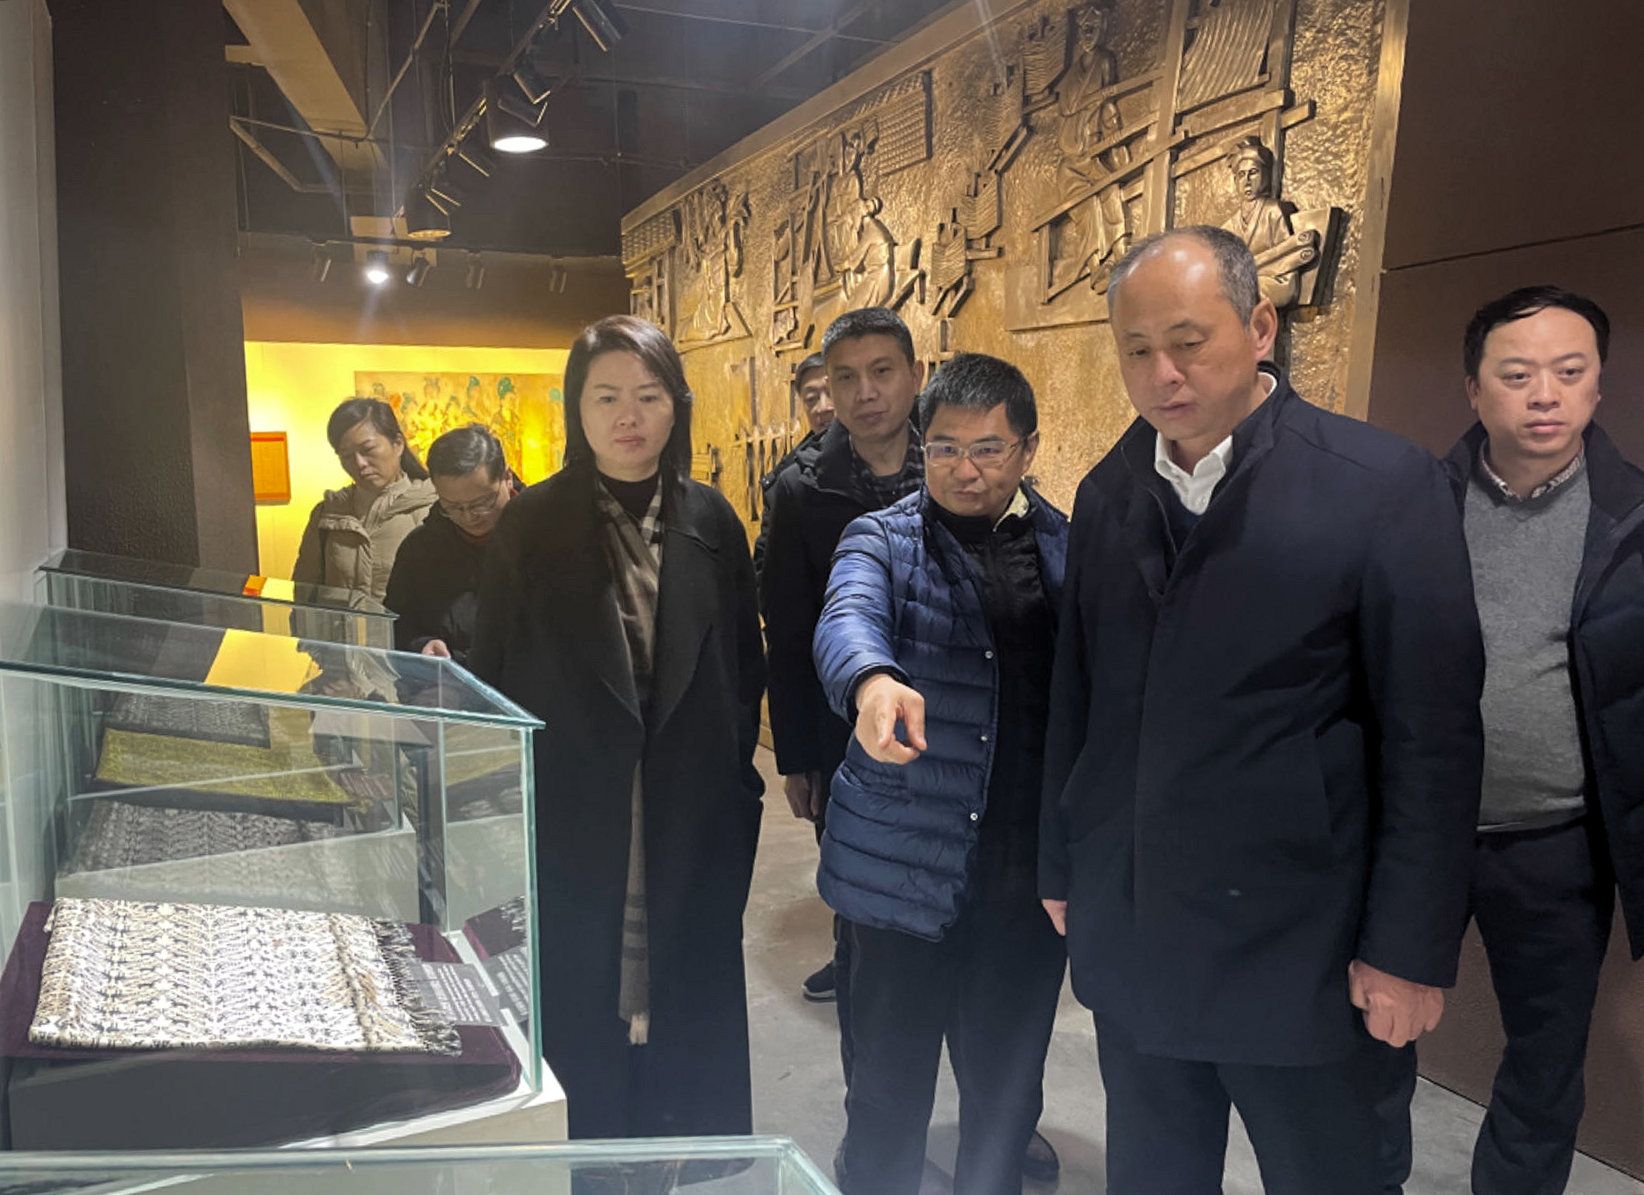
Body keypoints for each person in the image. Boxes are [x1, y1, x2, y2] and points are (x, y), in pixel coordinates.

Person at [1040, 225, 1485, 1192]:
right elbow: (1080, 695)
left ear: (1260, 326)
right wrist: (1061, 859)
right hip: (1141, 928)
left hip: (1304, 945)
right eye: (1136, 349)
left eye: (1189, 341)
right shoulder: (1110, 491)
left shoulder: (1380, 486)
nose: (1163, 374)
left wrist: (1408, 950)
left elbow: (1434, 740)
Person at [469, 315, 765, 1141]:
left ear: (677, 405)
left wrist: (727, 774)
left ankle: (674, 1151)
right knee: (581, 996)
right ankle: (591, 1152)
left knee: (689, 993)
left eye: (648, 395)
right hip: (576, 804)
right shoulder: (531, 525)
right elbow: (494, 669)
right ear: (577, 408)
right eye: (606, 397)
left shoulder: (712, 520)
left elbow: (742, 669)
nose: (627, 415)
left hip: (689, 803)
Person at [1378, 286, 1644, 1195]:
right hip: (1417, 833)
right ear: (1474, 388)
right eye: (1518, 374)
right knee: (1374, 1030)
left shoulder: (1633, 517)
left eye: (1569, 372)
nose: (1545, 395)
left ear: (1598, 385)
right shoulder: (1413, 504)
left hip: (1559, 841)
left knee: (1546, 1057)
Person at [813, 352, 1068, 1195]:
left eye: (988, 449)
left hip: (1023, 872)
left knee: (1007, 1087)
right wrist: (872, 682)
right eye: (947, 448)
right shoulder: (881, 538)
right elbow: (848, 616)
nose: (966, 469)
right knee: (887, 1085)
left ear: (1027, 448)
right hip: (900, 863)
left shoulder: (1066, 547)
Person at [762, 306, 926, 1023]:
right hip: (842, 724)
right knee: (854, 868)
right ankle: (856, 963)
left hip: (945, 708)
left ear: (916, 374)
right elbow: (788, 629)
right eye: (847, 378)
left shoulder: (954, 461)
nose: (866, 393)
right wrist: (797, 756)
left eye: (882, 371)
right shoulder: (800, 489)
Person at [383, 423, 520, 665]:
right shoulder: (420, 549)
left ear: (506, 478)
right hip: (449, 682)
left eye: (481, 503)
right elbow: (398, 623)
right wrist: (421, 645)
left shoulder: (544, 535)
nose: (468, 516)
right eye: (452, 506)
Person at [292, 398, 436, 601]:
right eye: (346, 456)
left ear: (397, 444)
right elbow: (304, 593)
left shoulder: (433, 509)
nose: (359, 463)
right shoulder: (328, 514)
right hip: (339, 623)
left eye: (368, 450)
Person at [753, 353, 834, 595]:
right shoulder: (785, 481)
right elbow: (764, 572)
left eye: (832, 393)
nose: (823, 407)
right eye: (811, 399)